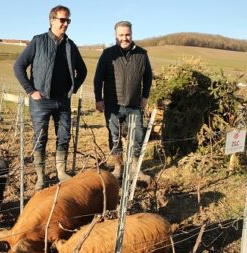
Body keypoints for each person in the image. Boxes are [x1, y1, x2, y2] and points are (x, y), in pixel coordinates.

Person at [13, 5, 87, 191]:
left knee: (64, 137)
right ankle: (40, 177)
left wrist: (73, 89)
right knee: (40, 138)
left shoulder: (70, 46)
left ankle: (61, 173)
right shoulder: (38, 41)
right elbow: (19, 66)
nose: (65, 24)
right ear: (52, 20)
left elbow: (83, 71)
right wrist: (31, 90)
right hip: (41, 101)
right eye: (62, 20)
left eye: (68, 20)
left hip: (62, 101)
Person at [93, 20, 152, 183]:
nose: (124, 38)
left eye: (127, 34)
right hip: (113, 105)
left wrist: (145, 96)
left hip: (134, 105)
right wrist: (99, 99)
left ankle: (135, 169)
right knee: (114, 136)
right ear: (115, 36)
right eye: (121, 35)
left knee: (137, 136)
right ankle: (118, 167)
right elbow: (98, 78)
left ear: (131, 34)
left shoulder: (142, 54)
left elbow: (148, 77)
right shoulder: (107, 54)